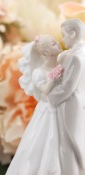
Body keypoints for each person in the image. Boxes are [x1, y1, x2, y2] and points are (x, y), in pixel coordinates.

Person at [6, 35, 63, 175]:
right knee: (48, 140)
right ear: (47, 52)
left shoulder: (63, 62)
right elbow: (44, 90)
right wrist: (52, 78)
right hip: (49, 111)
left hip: (62, 107)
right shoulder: (39, 72)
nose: (59, 44)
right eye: (54, 43)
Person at [48, 18, 85, 175]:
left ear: (73, 33)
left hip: (70, 103)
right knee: (72, 140)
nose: (62, 40)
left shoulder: (76, 57)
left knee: (67, 142)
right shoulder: (77, 54)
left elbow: (67, 87)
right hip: (76, 101)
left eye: (64, 35)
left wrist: (49, 96)